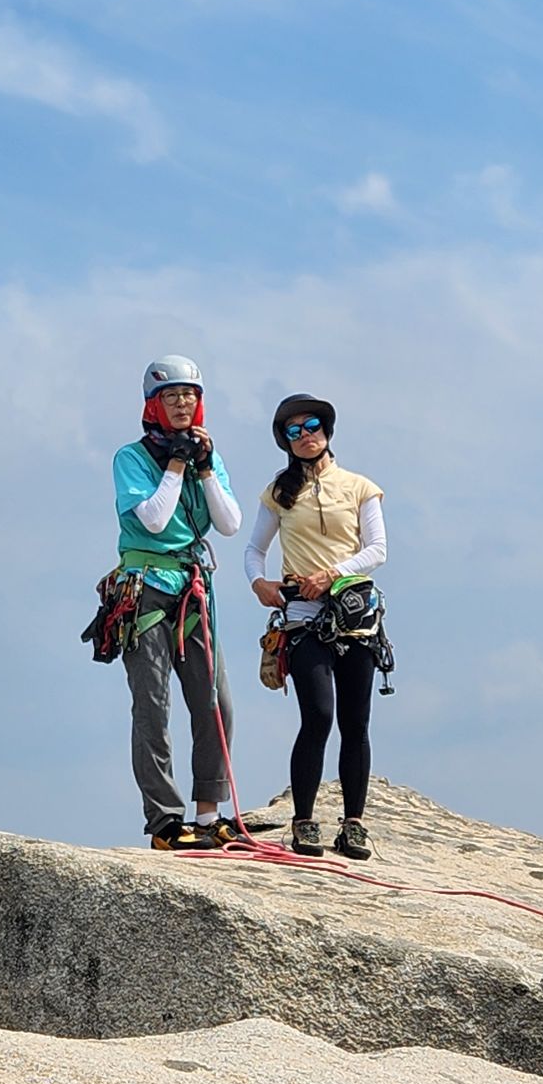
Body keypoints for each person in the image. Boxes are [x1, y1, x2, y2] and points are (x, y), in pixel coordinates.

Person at [244, 394, 386, 859]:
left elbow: (377, 549)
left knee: (356, 722)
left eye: (312, 427)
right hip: (304, 619)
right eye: (294, 431)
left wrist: (332, 574)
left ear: (326, 431)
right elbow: (254, 550)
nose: (305, 436)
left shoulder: (360, 487)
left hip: (354, 618)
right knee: (319, 716)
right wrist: (259, 583)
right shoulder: (279, 493)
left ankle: (354, 823)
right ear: (285, 440)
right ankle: (303, 820)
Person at [114, 357, 241, 851]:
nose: (182, 403)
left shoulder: (208, 456)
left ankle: (208, 813)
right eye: (171, 396)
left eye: (189, 395)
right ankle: (165, 821)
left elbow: (228, 523)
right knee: (153, 705)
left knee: (214, 701)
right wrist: (174, 465)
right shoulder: (131, 458)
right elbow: (153, 519)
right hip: (146, 585)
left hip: (193, 586)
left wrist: (204, 468)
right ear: (154, 404)